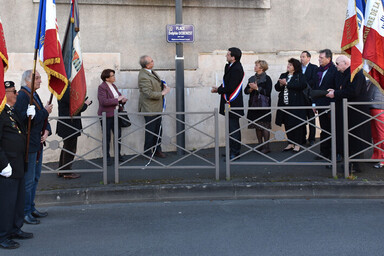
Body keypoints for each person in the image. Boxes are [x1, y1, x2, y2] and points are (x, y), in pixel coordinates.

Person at [0, 81, 35, 249]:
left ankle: (15, 228)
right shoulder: (1, 114)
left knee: (17, 200)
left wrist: (29, 116)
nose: (16, 94)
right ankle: (2, 235)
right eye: (13, 91)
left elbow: (21, 132)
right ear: (4, 93)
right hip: (7, 165)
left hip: (19, 162)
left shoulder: (11, 112)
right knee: (6, 202)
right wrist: (3, 164)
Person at [14, 70, 52, 225]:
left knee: (35, 178)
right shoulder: (23, 95)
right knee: (28, 180)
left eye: (39, 78)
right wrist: (44, 112)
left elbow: (42, 119)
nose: (40, 81)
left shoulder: (34, 95)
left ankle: (31, 207)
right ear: (27, 80)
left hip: (38, 142)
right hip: (29, 144)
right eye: (36, 78)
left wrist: (47, 130)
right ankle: (25, 212)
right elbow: (26, 120)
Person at [326, 55, 371, 172]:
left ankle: (356, 166)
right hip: (347, 113)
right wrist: (336, 92)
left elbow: (353, 91)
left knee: (355, 140)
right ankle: (349, 165)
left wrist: (336, 93)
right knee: (348, 140)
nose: (335, 66)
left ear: (345, 63)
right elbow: (343, 89)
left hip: (356, 113)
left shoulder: (356, 73)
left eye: (337, 63)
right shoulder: (345, 74)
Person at [211, 47, 244, 160]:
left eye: (228, 54)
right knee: (230, 128)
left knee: (234, 127)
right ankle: (231, 149)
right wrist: (219, 88)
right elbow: (227, 84)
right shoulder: (229, 66)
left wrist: (218, 90)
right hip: (228, 101)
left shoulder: (237, 68)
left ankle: (235, 152)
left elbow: (231, 87)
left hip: (233, 102)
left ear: (233, 57)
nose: (226, 56)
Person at [138, 55, 170, 158]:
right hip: (150, 108)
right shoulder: (143, 76)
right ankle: (147, 152)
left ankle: (157, 150)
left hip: (157, 107)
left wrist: (162, 85)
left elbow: (155, 84)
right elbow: (148, 93)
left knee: (158, 130)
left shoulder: (151, 72)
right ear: (147, 65)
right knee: (150, 131)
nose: (153, 62)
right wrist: (163, 93)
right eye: (152, 61)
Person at [56, 87, 92, 179]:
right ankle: (66, 172)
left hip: (67, 124)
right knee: (70, 148)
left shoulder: (61, 91)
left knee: (66, 147)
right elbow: (76, 108)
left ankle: (62, 169)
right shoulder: (65, 92)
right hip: (69, 125)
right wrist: (85, 104)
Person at [275, 58, 307, 152]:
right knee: (288, 123)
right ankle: (290, 143)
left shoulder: (299, 75)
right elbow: (277, 88)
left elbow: (302, 86)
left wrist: (287, 84)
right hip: (284, 104)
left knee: (296, 124)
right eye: (288, 64)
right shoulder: (283, 75)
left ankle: (297, 144)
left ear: (295, 67)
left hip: (296, 104)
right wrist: (281, 85)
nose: (288, 66)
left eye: (290, 65)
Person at [97, 69, 128, 166]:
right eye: (112, 75)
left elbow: (118, 99)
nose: (114, 77)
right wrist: (117, 99)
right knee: (107, 138)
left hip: (116, 114)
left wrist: (123, 100)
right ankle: (106, 158)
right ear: (107, 78)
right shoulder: (102, 87)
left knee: (117, 136)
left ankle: (117, 155)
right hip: (106, 115)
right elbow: (103, 102)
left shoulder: (113, 86)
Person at [313, 49, 337, 160]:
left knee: (333, 129)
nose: (319, 59)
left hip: (331, 105)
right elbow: (315, 88)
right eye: (319, 57)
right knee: (324, 129)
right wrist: (314, 103)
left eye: (321, 57)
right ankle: (324, 152)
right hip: (320, 104)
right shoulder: (318, 71)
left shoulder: (335, 70)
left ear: (329, 58)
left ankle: (334, 153)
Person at [244, 60, 272, 154]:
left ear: (262, 67)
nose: (255, 66)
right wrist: (251, 89)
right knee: (257, 125)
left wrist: (257, 88)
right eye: (255, 65)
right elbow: (245, 91)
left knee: (264, 126)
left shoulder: (267, 78)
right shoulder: (252, 78)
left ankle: (267, 146)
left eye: (257, 65)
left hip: (264, 106)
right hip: (254, 104)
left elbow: (268, 92)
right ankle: (260, 144)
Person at [300, 51, 318, 145]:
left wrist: (303, 84)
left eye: (303, 57)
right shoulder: (298, 68)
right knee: (301, 117)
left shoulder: (314, 68)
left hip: (310, 96)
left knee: (311, 118)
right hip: (300, 97)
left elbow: (314, 82)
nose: (301, 59)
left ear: (309, 58)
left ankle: (311, 138)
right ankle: (302, 137)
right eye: (301, 57)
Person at [367, 81, 384, 168]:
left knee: (381, 134)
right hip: (372, 106)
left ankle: (382, 158)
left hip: (380, 106)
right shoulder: (372, 78)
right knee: (375, 134)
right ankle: (376, 155)